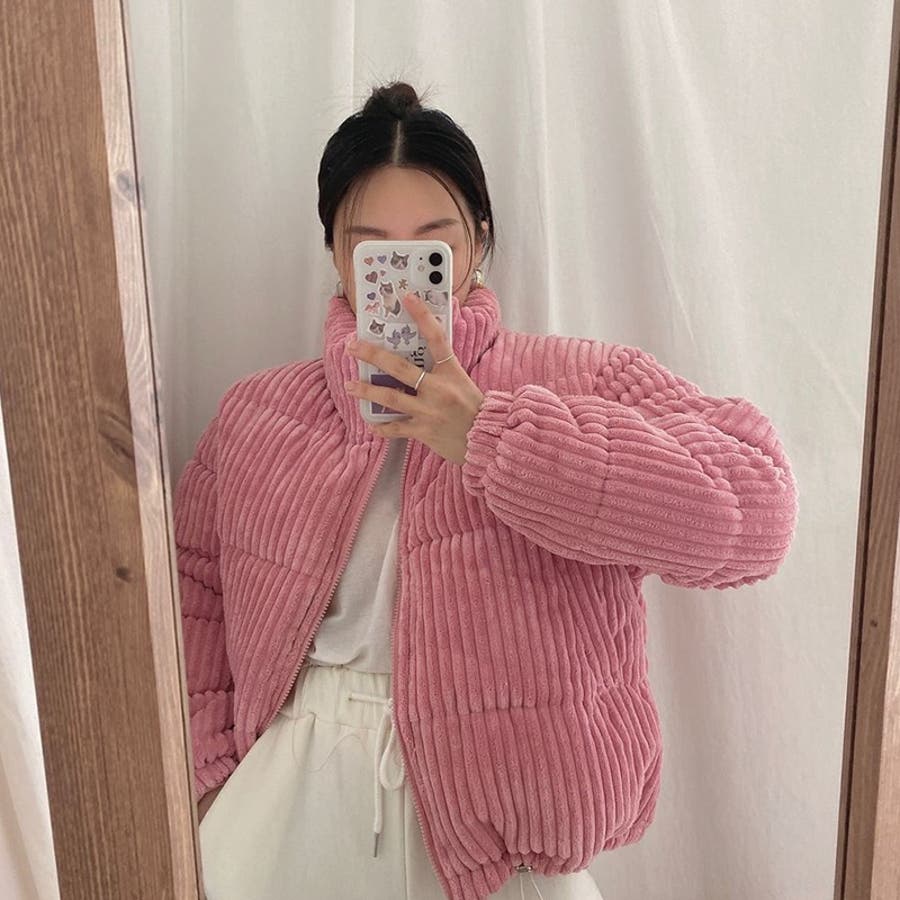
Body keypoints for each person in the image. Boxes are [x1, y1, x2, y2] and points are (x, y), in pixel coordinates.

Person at [175, 82, 798, 900]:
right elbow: (191, 598)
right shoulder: (259, 413)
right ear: (334, 254)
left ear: (478, 242)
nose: (402, 279)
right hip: (283, 809)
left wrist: (495, 438)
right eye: (373, 249)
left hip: (505, 848)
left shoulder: (579, 382)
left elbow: (759, 507)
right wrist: (210, 780)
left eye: (430, 247)